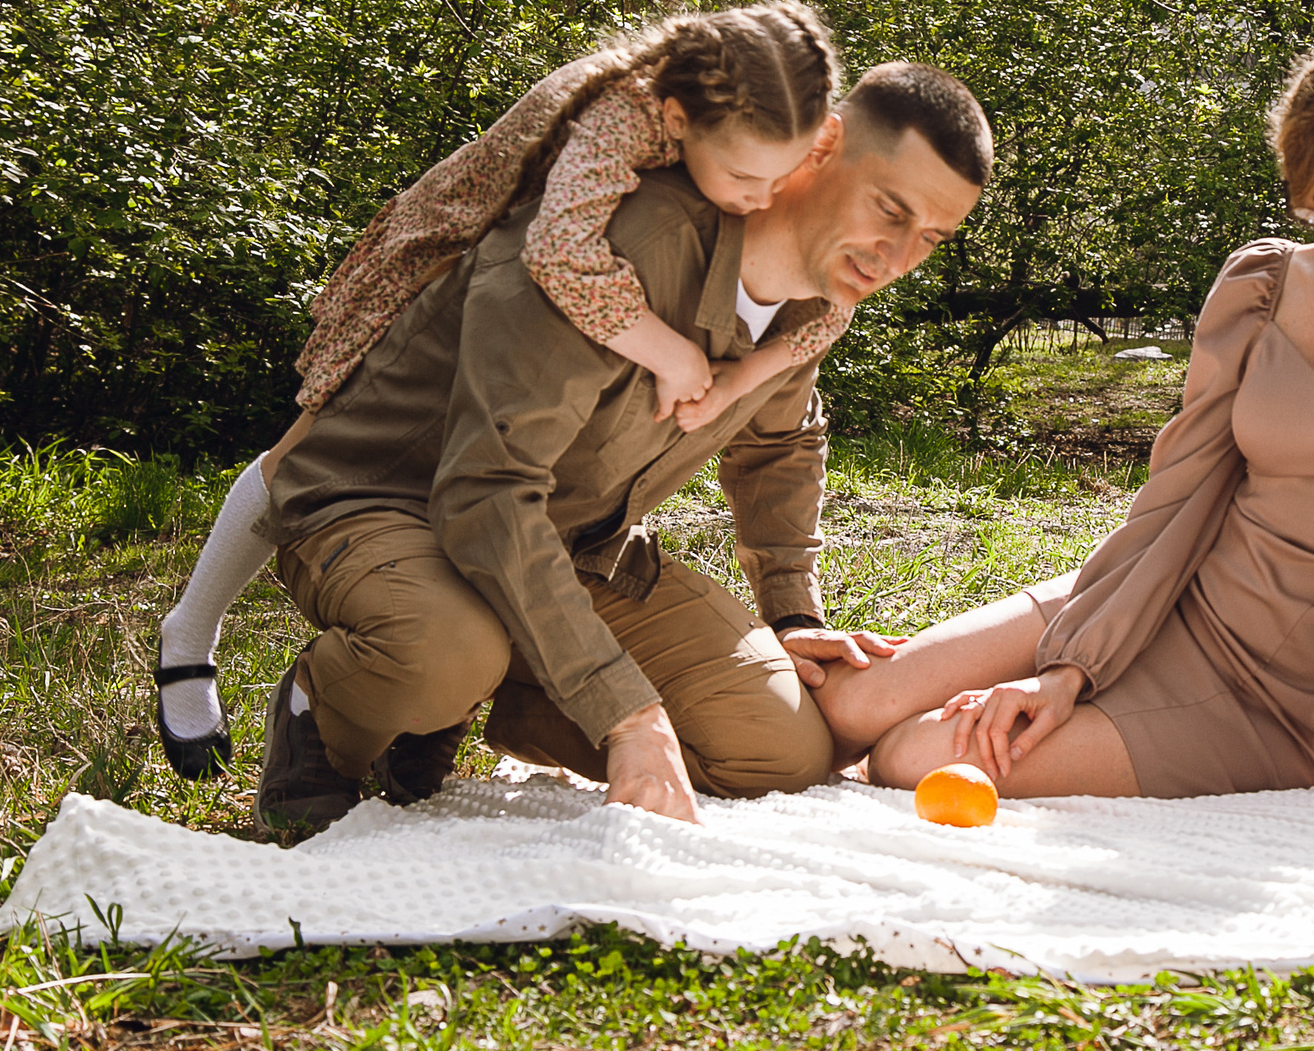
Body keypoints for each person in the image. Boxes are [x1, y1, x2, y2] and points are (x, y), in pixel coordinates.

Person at [240, 58, 990, 832]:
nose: (897, 258)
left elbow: (781, 443)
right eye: (890, 210)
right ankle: (326, 716)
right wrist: (624, 711)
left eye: (930, 238)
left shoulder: (821, 298)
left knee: (778, 750)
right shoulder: (626, 241)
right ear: (822, 144)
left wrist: (792, 615)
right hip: (396, 508)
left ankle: (474, 694)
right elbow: (485, 493)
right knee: (440, 650)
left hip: (569, 545)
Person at [813, 35, 1314, 797]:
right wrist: (1074, 665)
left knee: (912, 755)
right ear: (1311, 195)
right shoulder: (1260, 283)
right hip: (1162, 588)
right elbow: (1180, 490)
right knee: (854, 705)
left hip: (1280, 695)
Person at [151, 2, 847, 782]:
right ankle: (191, 633)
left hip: (546, 301)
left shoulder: (730, 135)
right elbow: (559, 252)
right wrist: (672, 353)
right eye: (746, 179)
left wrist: (751, 368)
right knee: (311, 446)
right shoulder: (624, 118)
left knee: (501, 495)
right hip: (453, 262)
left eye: (781, 178)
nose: (762, 199)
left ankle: (462, 695)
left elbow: (814, 331)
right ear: (678, 121)